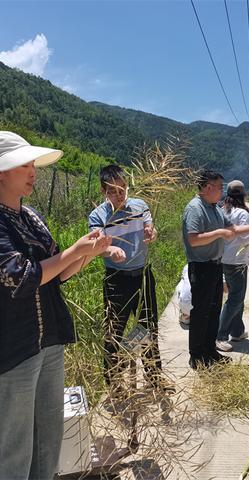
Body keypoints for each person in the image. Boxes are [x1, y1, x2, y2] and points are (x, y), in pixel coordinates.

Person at [0, 131, 112, 480]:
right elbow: (21, 277)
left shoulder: (30, 216)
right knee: (9, 452)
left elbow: (54, 274)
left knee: (47, 443)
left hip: (46, 342)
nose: (33, 171)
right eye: (24, 164)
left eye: (32, 164)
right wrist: (74, 250)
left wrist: (89, 252)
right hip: (9, 350)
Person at [88, 165, 172, 393]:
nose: (120, 194)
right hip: (117, 279)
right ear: (104, 191)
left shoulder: (140, 206)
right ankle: (115, 384)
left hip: (143, 276)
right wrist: (110, 251)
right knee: (114, 330)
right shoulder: (98, 216)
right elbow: (97, 247)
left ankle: (154, 378)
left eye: (123, 188)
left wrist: (151, 233)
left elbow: (149, 227)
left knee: (147, 328)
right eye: (113, 191)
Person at [182, 171, 249, 369]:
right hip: (201, 266)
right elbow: (194, 239)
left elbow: (234, 230)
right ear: (208, 187)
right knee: (201, 313)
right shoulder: (195, 209)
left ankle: (210, 351)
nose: (222, 191)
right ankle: (197, 356)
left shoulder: (215, 209)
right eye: (219, 187)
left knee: (214, 310)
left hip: (216, 265)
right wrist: (218, 233)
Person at [215, 180, 249, 352]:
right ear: (243, 195)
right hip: (237, 262)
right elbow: (244, 237)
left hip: (224, 259)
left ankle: (237, 332)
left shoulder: (222, 210)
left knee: (238, 297)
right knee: (236, 299)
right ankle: (220, 336)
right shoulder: (242, 213)